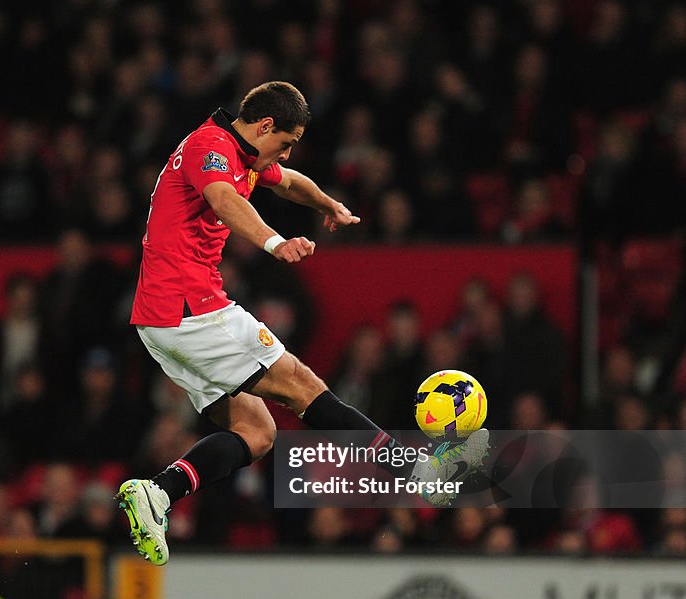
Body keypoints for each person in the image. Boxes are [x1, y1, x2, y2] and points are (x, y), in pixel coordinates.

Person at [116, 81, 489, 566]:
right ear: (265, 125)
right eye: (286, 141)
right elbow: (226, 201)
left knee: (258, 432)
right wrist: (275, 243)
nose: (287, 152)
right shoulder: (211, 147)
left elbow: (289, 181)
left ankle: (159, 493)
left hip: (163, 320)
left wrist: (328, 204)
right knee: (302, 385)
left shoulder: (242, 152)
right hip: (188, 306)